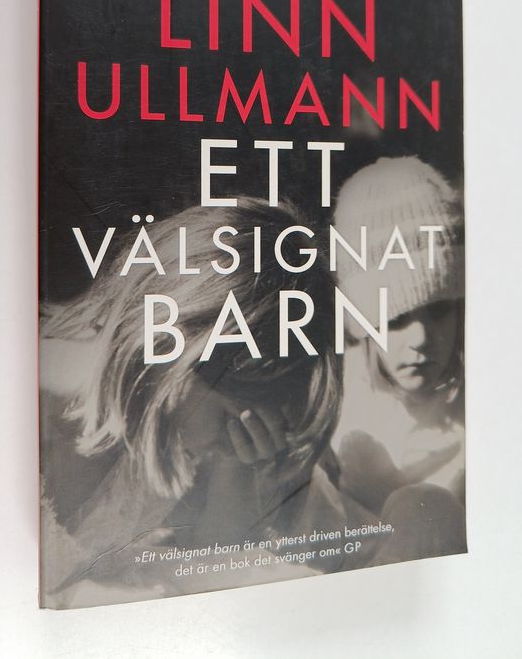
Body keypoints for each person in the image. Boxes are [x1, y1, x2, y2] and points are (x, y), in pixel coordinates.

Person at [39, 198, 363, 609]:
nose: (237, 436)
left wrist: (236, 467)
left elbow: (214, 568)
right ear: (176, 344)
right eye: (230, 419)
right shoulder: (36, 400)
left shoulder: (167, 426)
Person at [332, 157, 466, 553]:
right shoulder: (334, 409)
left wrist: (390, 495)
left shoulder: (484, 409)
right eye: (396, 319)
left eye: (440, 310)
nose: (421, 338)